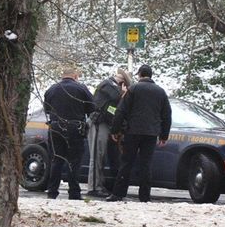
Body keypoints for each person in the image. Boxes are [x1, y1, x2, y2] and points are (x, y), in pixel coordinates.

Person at [106, 64, 171, 203]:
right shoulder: (160, 92)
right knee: (146, 164)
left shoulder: (133, 89)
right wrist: (164, 135)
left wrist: (115, 130)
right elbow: (167, 115)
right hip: (151, 133)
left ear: (140, 75)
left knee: (126, 162)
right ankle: (144, 196)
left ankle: (118, 193)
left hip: (133, 131)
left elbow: (120, 111)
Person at [43, 66, 95, 200]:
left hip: (55, 128)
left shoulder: (52, 89)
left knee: (56, 160)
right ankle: (74, 193)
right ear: (75, 76)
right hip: (75, 128)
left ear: (62, 75)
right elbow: (92, 108)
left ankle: (52, 191)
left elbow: (47, 109)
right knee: (74, 161)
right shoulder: (81, 89)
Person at [86, 67, 133, 198]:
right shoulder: (107, 84)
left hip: (104, 124)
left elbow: (113, 110)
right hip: (98, 123)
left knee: (100, 156)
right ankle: (94, 187)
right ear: (122, 82)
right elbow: (115, 97)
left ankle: (99, 185)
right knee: (96, 156)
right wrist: (122, 94)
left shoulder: (111, 88)